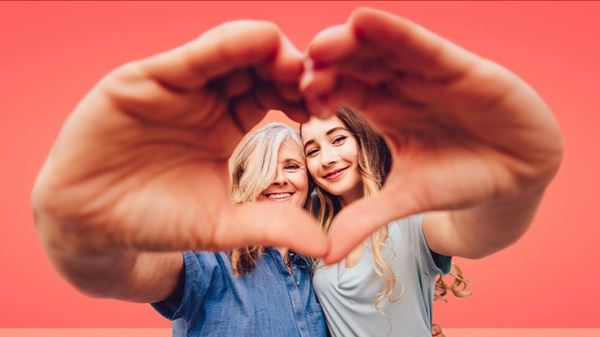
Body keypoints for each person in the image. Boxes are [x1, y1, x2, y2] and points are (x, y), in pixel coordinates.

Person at [298, 7, 563, 337]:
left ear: (366, 140)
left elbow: (478, 233)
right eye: (312, 150)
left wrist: (519, 183)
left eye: (338, 139)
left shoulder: (408, 222)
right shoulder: (316, 231)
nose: (326, 158)